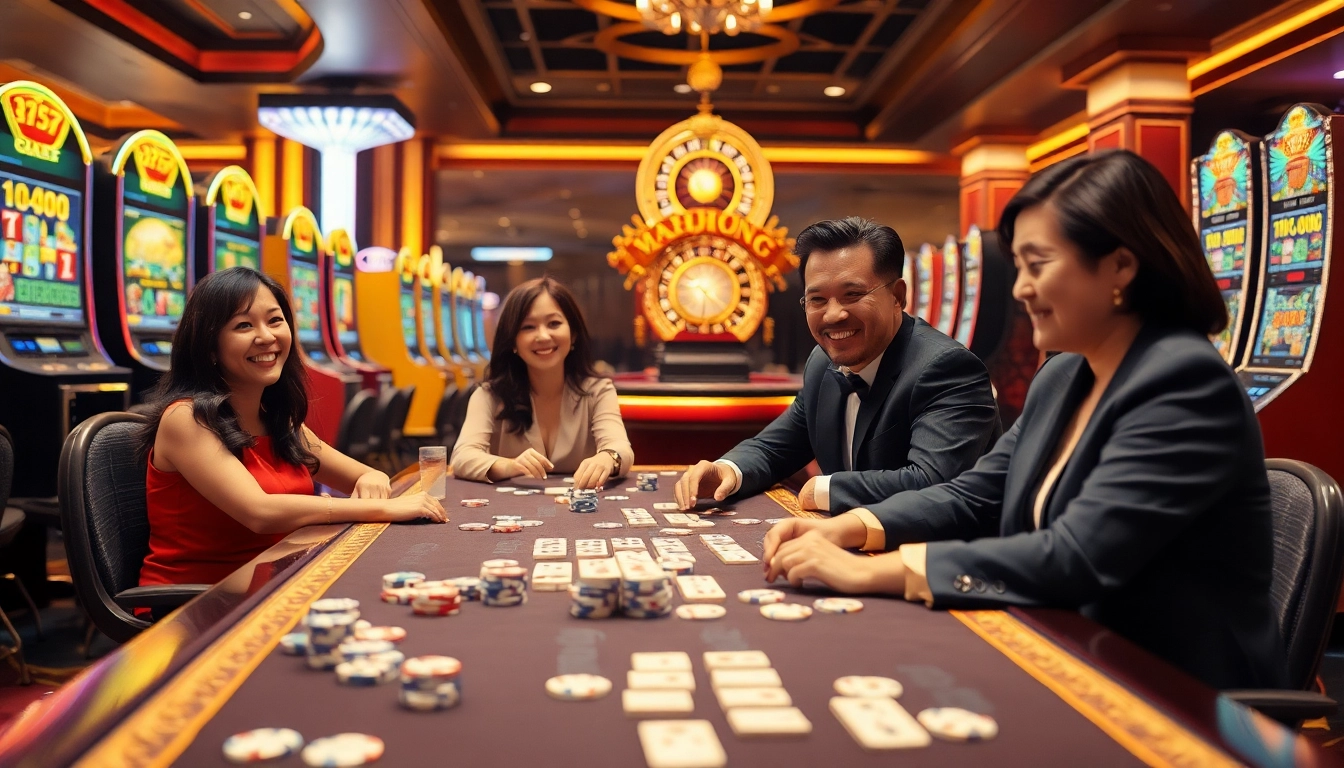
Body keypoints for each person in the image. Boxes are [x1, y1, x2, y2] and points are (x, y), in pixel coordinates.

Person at [761, 150, 1286, 690]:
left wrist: (873, 571)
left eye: (1039, 265)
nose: (1020, 289)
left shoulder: (1184, 382)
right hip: (1063, 641)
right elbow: (976, 493)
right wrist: (852, 528)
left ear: (1121, 267)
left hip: (1177, 687)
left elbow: (1076, 555)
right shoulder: (1065, 373)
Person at [137, 268, 446, 588]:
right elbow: (260, 512)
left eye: (275, 320)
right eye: (243, 325)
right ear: (210, 347)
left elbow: (366, 474)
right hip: (198, 604)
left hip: (279, 576)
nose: (267, 336)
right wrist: (380, 507)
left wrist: (374, 481)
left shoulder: (277, 419)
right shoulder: (186, 419)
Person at [674, 217, 1000, 512]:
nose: (833, 315)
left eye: (852, 294)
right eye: (817, 299)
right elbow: (775, 448)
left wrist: (826, 488)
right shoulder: (822, 363)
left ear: (898, 296)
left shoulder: (947, 369)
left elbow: (933, 484)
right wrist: (727, 470)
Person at [451, 276, 633, 489]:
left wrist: (606, 458)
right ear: (513, 341)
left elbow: (621, 448)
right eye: (528, 327)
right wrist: (511, 465)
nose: (543, 335)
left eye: (554, 323)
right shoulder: (489, 395)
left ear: (573, 334)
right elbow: (462, 457)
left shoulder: (598, 391)